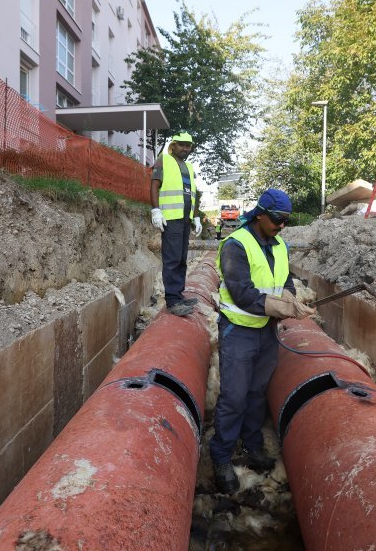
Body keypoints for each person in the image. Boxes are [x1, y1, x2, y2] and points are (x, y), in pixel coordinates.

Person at [210, 189, 316, 494]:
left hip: (267, 332)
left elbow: (284, 279)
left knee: (257, 392)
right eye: (277, 219)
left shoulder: (279, 244)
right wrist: (280, 307)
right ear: (260, 214)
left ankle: (252, 445)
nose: (281, 225)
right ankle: (221, 455)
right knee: (234, 396)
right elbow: (242, 292)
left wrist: (290, 298)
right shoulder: (236, 245)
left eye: (285, 221)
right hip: (239, 331)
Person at [150, 132, 203, 317]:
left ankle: (178, 296)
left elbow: (193, 194)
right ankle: (172, 301)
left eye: (188, 145)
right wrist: (155, 210)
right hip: (171, 218)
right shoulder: (164, 160)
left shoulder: (188, 166)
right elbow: (154, 185)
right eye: (182, 145)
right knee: (172, 259)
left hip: (185, 219)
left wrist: (196, 217)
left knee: (181, 260)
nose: (185, 148)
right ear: (174, 145)